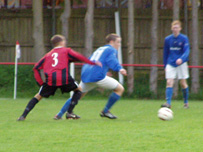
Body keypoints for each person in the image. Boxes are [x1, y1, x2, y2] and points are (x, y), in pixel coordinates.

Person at [17, 34, 101, 121]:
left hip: (50, 80)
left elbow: (36, 67)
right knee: (79, 90)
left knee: (38, 96)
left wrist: (41, 83)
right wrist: (92, 62)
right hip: (64, 77)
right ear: (61, 42)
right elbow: (78, 56)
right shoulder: (66, 51)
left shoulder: (47, 55)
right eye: (64, 41)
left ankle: (23, 116)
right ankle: (69, 112)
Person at [54, 33, 127, 120]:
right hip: (97, 77)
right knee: (120, 89)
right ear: (111, 42)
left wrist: (102, 71)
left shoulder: (100, 49)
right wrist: (119, 69)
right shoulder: (111, 49)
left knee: (77, 95)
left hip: (87, 75)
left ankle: (59, 114)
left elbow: (93, 61)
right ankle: (105, 111)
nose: (119, 45)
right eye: (118, 42)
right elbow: (112, 60)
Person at [161, 20, 190, 109]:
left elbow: (187, 50)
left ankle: (186, 102)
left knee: (183, 83)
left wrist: (182, 59)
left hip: (181, 63)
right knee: (169, 82)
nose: (175, 29)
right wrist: (165, 65)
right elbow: (165, 52)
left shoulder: (184, 38)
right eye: (173, 27)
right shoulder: (168, 39)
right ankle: (168, 103)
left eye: (177, 27)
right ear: (171, 28)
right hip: (171, 63)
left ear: (180, 28)